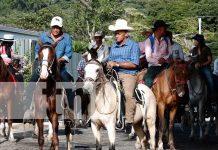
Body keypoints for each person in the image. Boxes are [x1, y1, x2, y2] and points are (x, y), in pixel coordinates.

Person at [25, 16, 74, 110]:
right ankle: (27, 109)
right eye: (54, 27)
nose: (56, 29)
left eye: (58, 27)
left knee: (69, 86)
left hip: (60, 67)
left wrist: (59, 60)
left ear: (61, 27)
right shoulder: (43, 36)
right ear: (51, 27)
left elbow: (69, 53)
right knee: (31, 82)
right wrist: (41, 59)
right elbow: (36, 51)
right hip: (44, 66)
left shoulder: (67, 38)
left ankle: (71, 111)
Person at [107, 19, 140, 128]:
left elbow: (134, 64)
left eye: (118, 33)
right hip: (113, 74)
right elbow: (110, 60)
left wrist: (116, 64)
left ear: (125, 34)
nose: (116, 36)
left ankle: (129, 119)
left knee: (128, 95)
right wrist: (109, 64)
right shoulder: (113, 46)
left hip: (128, 74)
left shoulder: (133, 45)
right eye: (115, 33)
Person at [143, 20, 172, 88]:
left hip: (166, 64)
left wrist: (164, 59)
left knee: (179, 76)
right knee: (148, 80)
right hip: (154, 65)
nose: (165, 31)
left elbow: (170, 52)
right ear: (160, 29)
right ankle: (148, 95)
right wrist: (158, 61)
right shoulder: (149, 41)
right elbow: (148, 58)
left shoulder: (167, 40)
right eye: (165, 29)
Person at [190, 34, 215, 101]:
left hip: (204, 67)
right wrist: (193, 63)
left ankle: (212, 96)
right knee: (186, 76)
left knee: (210, 80)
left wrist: (202, 64)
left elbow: (209, 60)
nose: (194, 41)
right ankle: (187, 98)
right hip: (195, 67)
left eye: (195, 40)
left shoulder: (206, 49)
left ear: (199, 41)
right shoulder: (194, 49)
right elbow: (192, 59)